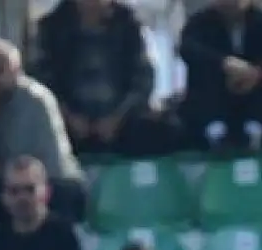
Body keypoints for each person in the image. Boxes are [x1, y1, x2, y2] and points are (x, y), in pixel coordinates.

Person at [0, 40, 85, 241]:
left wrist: (6, 171)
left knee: (56, 195)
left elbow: (50, 165)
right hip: (8, 185)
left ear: (16, 72)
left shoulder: (37, 102)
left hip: (52, 183)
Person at [28, 0, 183, 159]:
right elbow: (40, 80)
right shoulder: (50, 27)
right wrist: (68, 115)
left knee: (167, 130)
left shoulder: (130, 24)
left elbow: (144, 77)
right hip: (67, 123)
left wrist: (117, 118)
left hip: (121, 122)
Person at [177, 0, 262, 151]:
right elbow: (187, 48)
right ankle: (214, 131)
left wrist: (258, 72)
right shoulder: (199, 23)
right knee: (202, 70)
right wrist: (224, 64)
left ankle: (257, 129)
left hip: (254, 98)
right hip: (214, 101)